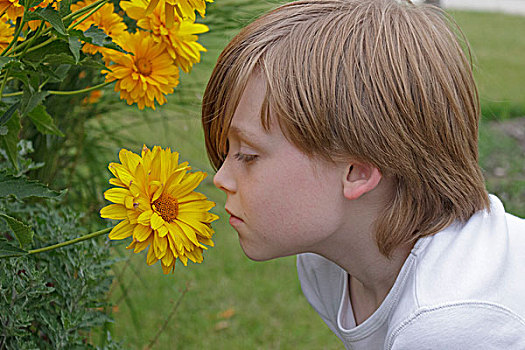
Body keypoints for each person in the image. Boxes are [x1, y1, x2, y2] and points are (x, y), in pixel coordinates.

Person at [201, 0, 525, 348]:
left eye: (248, 155)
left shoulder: (450, 324)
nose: (221, 178)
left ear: (357, 171)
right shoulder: (326, 264)